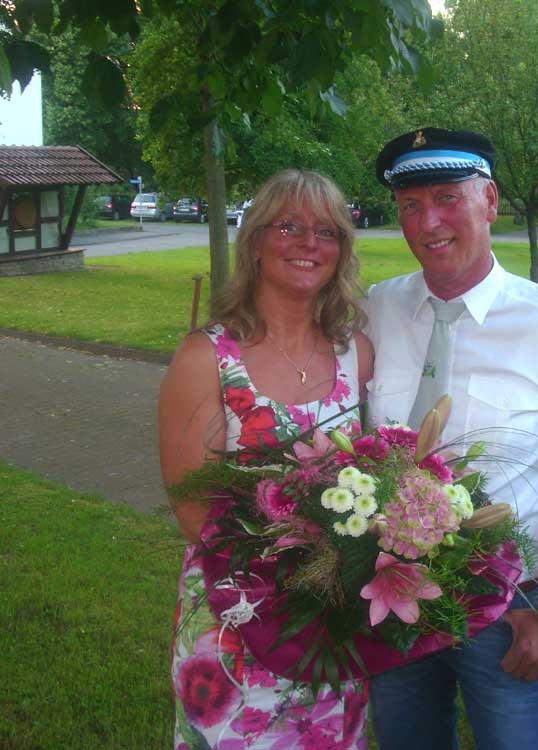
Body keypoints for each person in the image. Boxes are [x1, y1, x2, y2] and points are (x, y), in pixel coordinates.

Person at [363, 128, 538, 749]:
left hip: (508, 611)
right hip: (393, 599)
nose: (429, 221)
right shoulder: (378, 309)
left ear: (491, 200)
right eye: (410, 205)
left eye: (448, 198)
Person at [158, 169, 374, 749]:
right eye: (289, 227)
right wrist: (295, 578)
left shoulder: (356, 354)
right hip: (235, 625)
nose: (309, 243)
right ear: (255, 241)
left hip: (333, 626)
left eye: (327, 232)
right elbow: (194, 514)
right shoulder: (206, 358)